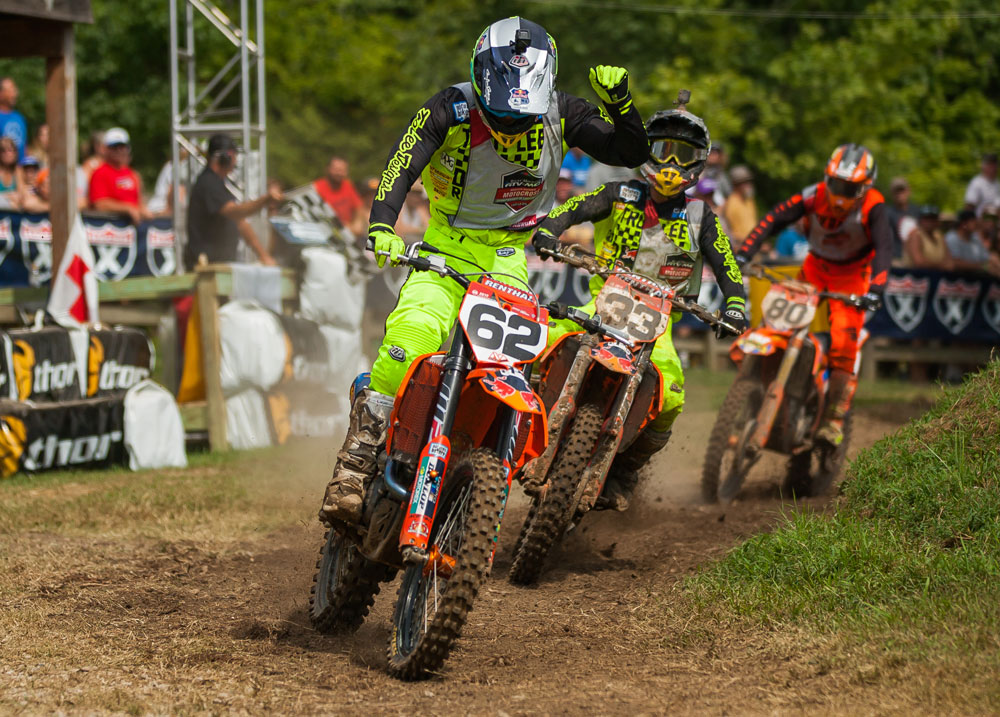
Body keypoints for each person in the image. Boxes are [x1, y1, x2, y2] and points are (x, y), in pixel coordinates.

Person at [319, 16, 649, 526]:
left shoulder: (564, 112)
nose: (509, 126)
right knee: (412, 333)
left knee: (511, 366)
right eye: (499, 113)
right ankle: (354, 467)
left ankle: (480, 465)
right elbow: (401, 164)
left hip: (509, 256)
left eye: (520, 117)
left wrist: (622, 107)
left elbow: (629, 152)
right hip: (446, 247)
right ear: (479, 78)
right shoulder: (447, 108)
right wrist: (383, 225)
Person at [530, 100, 747, 511]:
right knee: (542, 344)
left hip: (658, 324)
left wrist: (734, 305)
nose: (670, 164)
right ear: (646, 151)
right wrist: (548, 230)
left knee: (673, 395)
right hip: (604, 304)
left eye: (682, 156)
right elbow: (574, 207)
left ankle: (626, 468)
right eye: (663, 150)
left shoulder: (702, 217)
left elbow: (727, 265)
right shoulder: (619, 192)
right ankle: (518, 431)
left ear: (698, 163)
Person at [735, 143, 891, 447]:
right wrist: (744, 254)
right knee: (774, 322)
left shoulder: (875, 206)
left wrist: (877, 289)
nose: (841, 194)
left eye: (851, 187)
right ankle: (755, 383)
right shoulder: (813, 194)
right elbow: (774, 219)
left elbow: (886, 248)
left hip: (852, 279)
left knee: (845, 342)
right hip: (814, 269)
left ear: (866, 186)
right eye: (836, 184)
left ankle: (834, 418)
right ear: (826, 178)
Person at [185, 134, 283, 269]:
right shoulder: (208, 184)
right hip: (206, 267)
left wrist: (263, 256)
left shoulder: (218, 184)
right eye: (234, 156)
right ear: (225, 157)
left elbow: (241, 223)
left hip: (219, 265)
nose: (235, 161)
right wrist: (265, 200)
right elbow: (235, 213)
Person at [88, 127, 153, 225]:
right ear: (106, 149)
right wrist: (127, 209)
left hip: (133, 231)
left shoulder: (133, 174)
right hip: (109, 229)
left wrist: (143, 209)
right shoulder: (100, 173)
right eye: (114, 147)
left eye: (122, 146)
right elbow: (99, 204)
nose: (119, 150)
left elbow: (139, 201)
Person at [944, 208, 1000, 276]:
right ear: (963, 224)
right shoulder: (952, 238)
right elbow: (954, 262)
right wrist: (982, 267)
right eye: (973, 221)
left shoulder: (975, 238)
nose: (976, 223)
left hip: (974, 279)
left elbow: (987, 257)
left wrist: (994, 262)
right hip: (955, 280)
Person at [313, 156, 362, 227]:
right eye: (336, 169)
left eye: (342, 170)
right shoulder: (317, 188)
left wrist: (357, 224)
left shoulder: (347, 185)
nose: (339, 173)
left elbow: (358, 207)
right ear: (327, 169)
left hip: (349, 232)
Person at [900, 205, 951, 270]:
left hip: (937, 276)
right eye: (926, 218)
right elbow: (919, 262)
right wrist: (941, 265)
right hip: (915, 277)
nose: (930, 222)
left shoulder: (939, 236)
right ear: (920, 220)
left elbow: (949, 262)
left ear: (937, 221)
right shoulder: (915, 235)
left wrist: (945, 265)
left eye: (933, 218)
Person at [721, 164, 757, 246]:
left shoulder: (749, 200)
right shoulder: (731, 203)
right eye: (744, 182)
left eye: (749, 181)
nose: (748, 185)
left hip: (753, 244)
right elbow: (731, 232)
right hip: (741, 246)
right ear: (735, 184)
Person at [964, 152, 1000, 217]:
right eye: (990, 165)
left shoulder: (997, 183)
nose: (993, 168)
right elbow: (969, 206)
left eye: (994, 165)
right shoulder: (977, 183)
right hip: (981, 222)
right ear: (983, 167)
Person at [0, 78, 27, 162]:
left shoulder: (19, 117)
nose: (15, 94)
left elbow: (25, 146)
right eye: (11, 91)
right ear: (1, 94)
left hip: (19, 171)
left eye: (15, 90)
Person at [0, 137, 23, 209]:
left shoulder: (18, 171)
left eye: (10, 150)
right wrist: (10, 196)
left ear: (15, 153)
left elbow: (21, 194)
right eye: (3, 150)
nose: (7, 153)